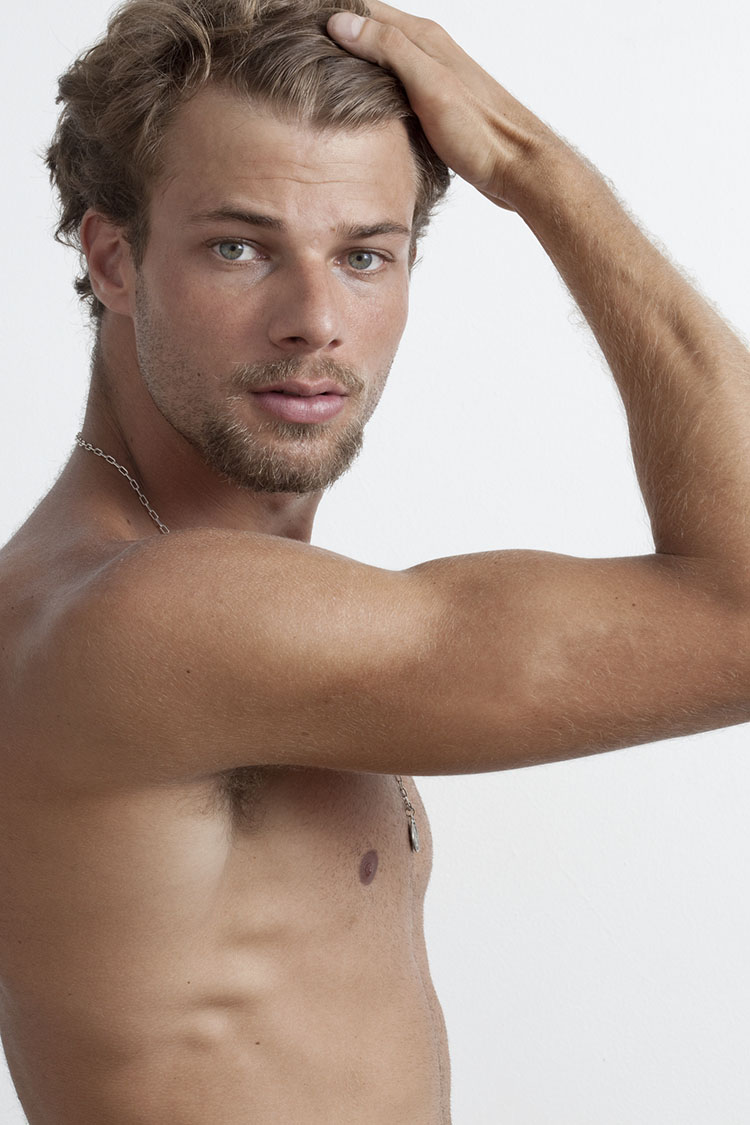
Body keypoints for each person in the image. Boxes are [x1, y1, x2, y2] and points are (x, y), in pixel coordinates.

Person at [1, 0, 749, 1120]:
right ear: (114, 258)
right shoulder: (154, 612)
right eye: (240, 246)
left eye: (364, 255)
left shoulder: (109, 579)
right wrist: (529, 166)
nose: (315, 319)